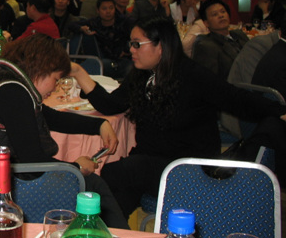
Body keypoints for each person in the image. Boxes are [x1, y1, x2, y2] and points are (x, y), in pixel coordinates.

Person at [69, 16, 286, 221]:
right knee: (118, 193)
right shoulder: (142, 75)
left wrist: (279, 111)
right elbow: (112, 104)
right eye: (131, 44)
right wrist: (78, 72)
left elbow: (236, 99)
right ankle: (110, 236)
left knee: (116, 172)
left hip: (188, 168)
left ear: (161, 46)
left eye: (137, 44)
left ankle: (100, 231)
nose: (131, 50)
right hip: (152, 163)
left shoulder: (192, 75)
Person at [0, 33, 127, 228]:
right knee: (93, 187)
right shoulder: (13, 94)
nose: (56, 87)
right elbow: (33, 162)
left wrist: (99, 125)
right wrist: (75, 168)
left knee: (90, 183)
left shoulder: (5, 85)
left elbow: (51, 117)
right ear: (41, 69)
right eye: (56, 79)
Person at [70, 0, 132, 80]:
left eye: (111, 8)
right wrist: (82, 28)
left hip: (123, 59)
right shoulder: (94, 22)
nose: (108, 11)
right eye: (104, 9)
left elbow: (134, 38)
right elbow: (72, 25)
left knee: (131, 69)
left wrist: (126, 50)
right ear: (98, 11)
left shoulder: (124, 22)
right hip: (103, 60)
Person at [192, 0, 248, 80]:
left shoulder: (239, 34)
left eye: (223, 12)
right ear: (206, 23)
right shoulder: (206, 45)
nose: (221, 16)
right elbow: (209, 79)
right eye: (215, 14)